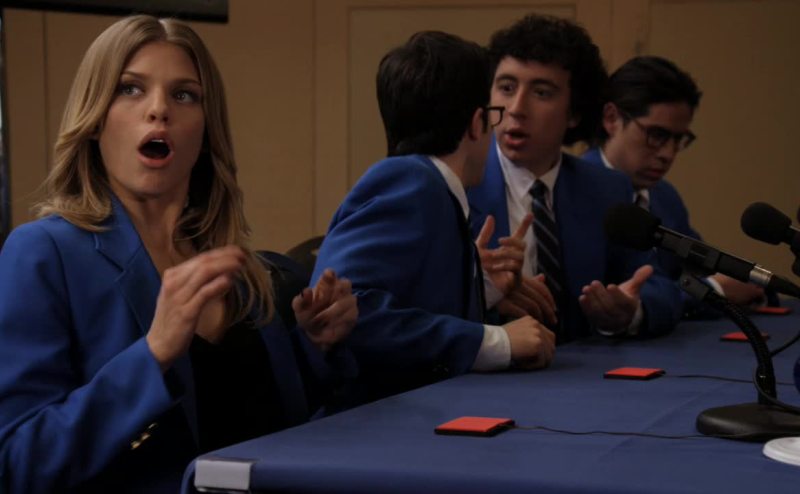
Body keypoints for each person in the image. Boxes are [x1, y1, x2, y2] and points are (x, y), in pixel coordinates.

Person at [0, 15, 357, 493]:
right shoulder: (43, 254)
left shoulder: (239, 268)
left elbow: (269, 425)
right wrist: (153, 354)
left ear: (206, 129)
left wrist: (316, 346)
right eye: (130, 89)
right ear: (95, 119)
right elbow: (17, 464)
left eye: (184, 95)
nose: (159, 110)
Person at [311, 31, 555, 404]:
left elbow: (410, 302)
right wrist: (495, 341)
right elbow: (351, 311)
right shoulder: (412, 183)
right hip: (376, 422)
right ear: (477, 123)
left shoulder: (432, 186)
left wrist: (481, 288)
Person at [467, 14, 683, 342]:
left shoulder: (606, 188)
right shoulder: (460, 185)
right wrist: (484, 296)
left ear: (575, 113)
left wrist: (630, 310)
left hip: (586, 368)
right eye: (506, 88)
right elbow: (422, 302)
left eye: (541, 93)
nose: (516, 108)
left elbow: (657, 284)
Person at [582, 55, 764, 309]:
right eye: (657, 135)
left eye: (678, 139)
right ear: (612, 119)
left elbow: (703, 266)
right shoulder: (577, 191)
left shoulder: (664, 196)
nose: (668, 154)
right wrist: (714, 291)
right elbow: (618, 297)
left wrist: (752, 284)